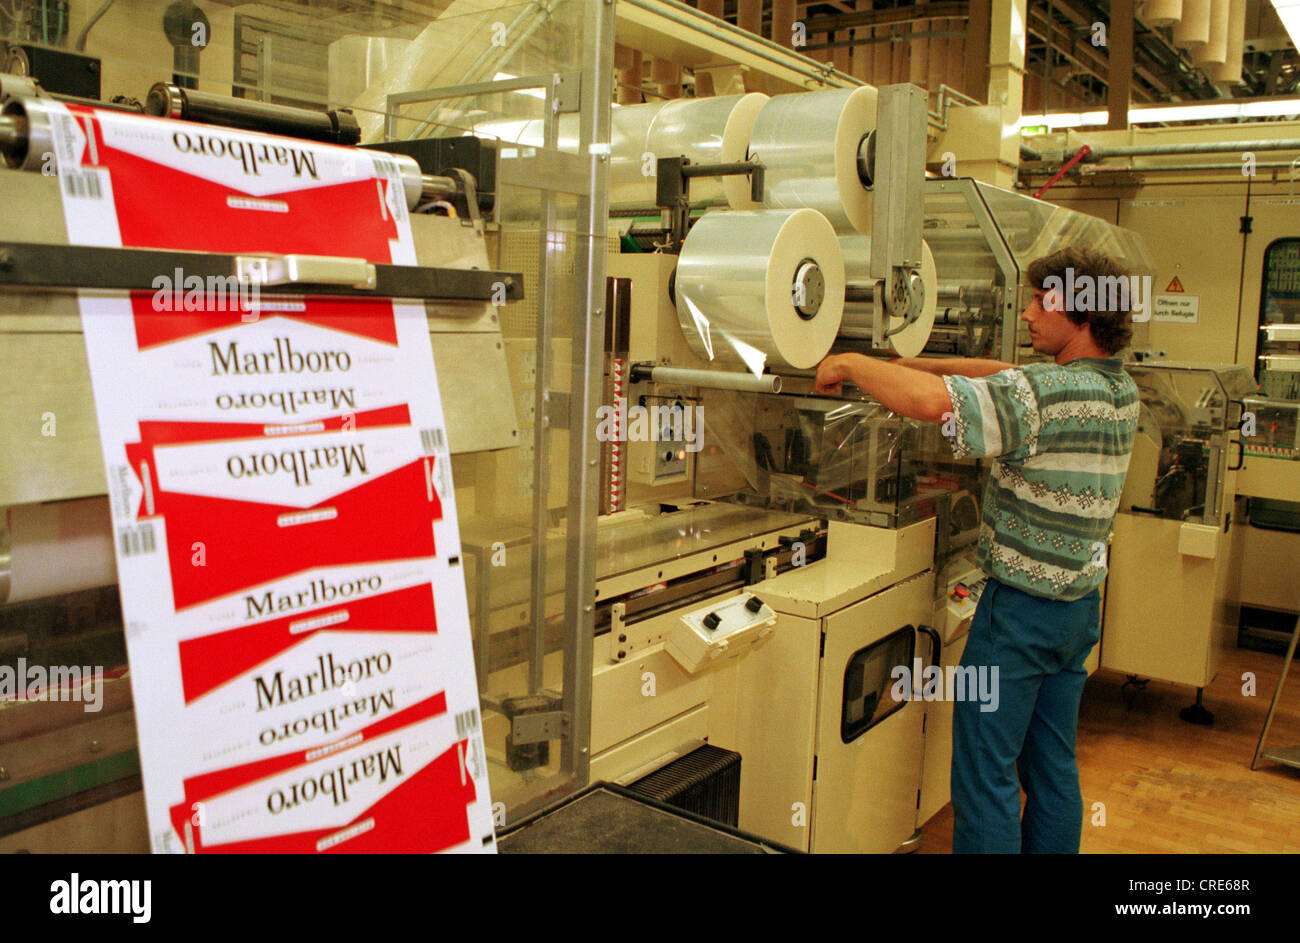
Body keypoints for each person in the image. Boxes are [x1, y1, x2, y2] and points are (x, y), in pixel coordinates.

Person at [813, 246, 1138, 853]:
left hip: (1017, 617)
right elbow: (999, 373)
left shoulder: (1042, 393)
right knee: (1052, 769)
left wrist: (853, 363)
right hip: (1075, 613)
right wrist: (912, 361)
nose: (1032, 314)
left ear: (1079, 309)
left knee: (985, 778)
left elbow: (939, 406)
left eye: (1044, 302)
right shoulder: (1116, 387)